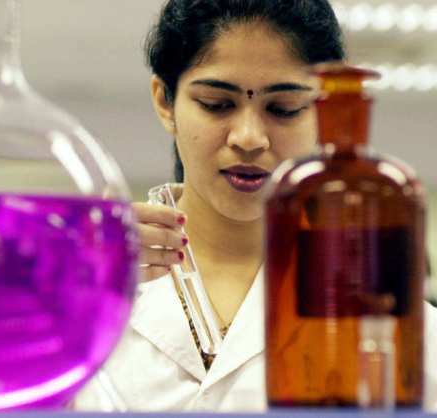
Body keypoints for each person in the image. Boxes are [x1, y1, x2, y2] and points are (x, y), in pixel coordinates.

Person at [73, 0, 437, 412]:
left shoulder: (395, 322)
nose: (249, 138)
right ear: (164, 101)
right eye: (217, 103)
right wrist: (48, 290)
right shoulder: (78, 282)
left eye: (284, 109)